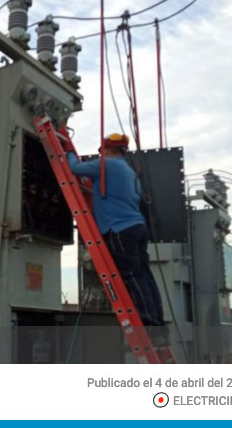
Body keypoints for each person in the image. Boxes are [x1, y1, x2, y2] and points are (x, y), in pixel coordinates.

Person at [65, 133, 169, 345]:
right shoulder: (129, 172)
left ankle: (148, 326)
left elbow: (73, 167)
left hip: (120, 229)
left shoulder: (106, 165)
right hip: (137, 227)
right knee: (145, 278)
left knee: (131, 278)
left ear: (106, 149)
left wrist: (67, 152)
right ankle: (158, 328)